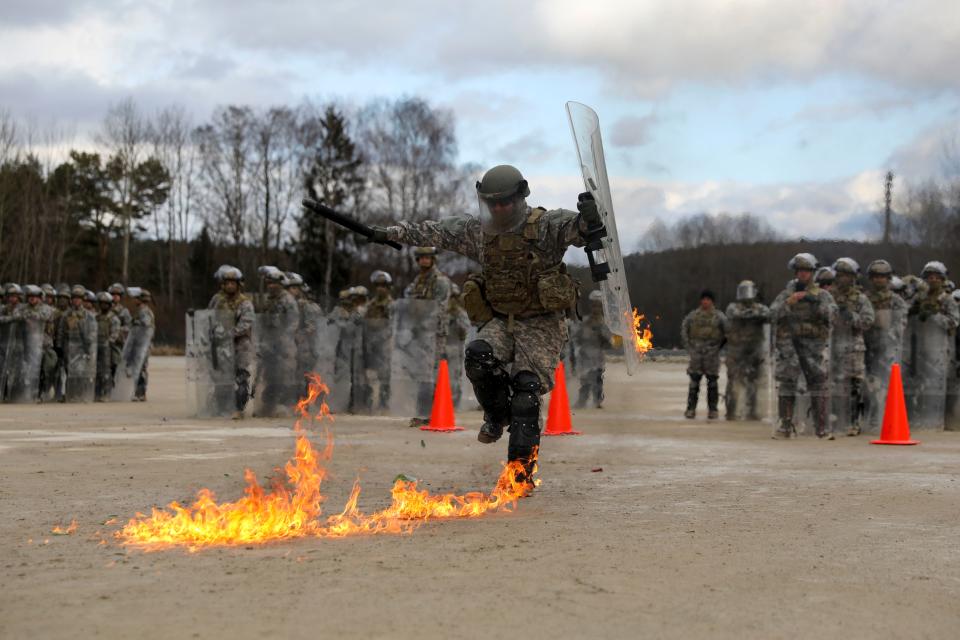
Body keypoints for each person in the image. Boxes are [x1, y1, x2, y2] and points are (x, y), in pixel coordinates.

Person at [367, 164, 594, 485]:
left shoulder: (544, 225)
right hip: (501, 319)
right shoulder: (477, 231)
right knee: (477, 355)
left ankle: (520, 475)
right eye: (493, 203)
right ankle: (497, 415)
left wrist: (589, 219)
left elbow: (577, 229)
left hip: (542, 322)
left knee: (526, 393)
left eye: (505, 202)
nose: (499, 208)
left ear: (520, 198)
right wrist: (390, 234)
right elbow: (432, 231)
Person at [770, 253, 837, 439]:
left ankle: (821, 428)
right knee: (786, 385)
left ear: (813, 273)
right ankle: (785, 425)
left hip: (813, 348)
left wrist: (814, 302)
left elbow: (833, 315)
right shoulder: (786, 294)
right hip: (790, 348)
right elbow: (772, 314)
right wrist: (788, 303)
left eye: (806, 271)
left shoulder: (822, 295)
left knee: (818, 386)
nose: (802, 274)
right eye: (799, 271)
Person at [903, 261, 959, 429]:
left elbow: (954, 322)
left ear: (942, 280)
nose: (932, 280)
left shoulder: (947, 300)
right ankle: (915, 420)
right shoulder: (918, 298)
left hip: (939, 351)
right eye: (929, 277)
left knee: (935, 388)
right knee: (917, 387)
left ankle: (935, 422)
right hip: (916, 350)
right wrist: (914, 308)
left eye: (936, 277)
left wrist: (935, 315)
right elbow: (904, 314)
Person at [402, 246, 452, 421]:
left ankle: (430, 412)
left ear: (433, 259)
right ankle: (422, 411)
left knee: (430, 370)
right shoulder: (417, 282)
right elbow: (408, 303)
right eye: (421, 257)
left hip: (434, 333)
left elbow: (440, 307)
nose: (424, 260)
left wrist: (423, 323)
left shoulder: (440, 281)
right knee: (419, 371)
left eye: (427, 257)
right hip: (417, 333)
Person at [828, 258, 875, 436]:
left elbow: (868, 321)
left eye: (847, 275)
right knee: (832, 385)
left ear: (854, 277)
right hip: (832, 346)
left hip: (854, 348)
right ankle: (834, 420)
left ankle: (853, 422)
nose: (843, 279)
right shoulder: (828, 296)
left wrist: (851, 316)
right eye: (840, 275)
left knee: (854, 386)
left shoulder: (861, 298)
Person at [863, 260, 908, 433]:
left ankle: (881, 421)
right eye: (875, 276)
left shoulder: (896, 301)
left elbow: (900, 325)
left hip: (886, 351)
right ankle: (865, 420)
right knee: (865, 387)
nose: (878, 280)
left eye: (882, 277)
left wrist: (886, 336)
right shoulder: (864, 298)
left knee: (883, 388)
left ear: (888, 278)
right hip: (865, 348)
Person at [207, 265, 256, 419]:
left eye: (232, 283)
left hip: (241, 345)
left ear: (238, 284)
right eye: (227, 282)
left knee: (241, 376)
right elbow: (209, 316)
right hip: (222, 346)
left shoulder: (245, 302)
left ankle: (238, 408)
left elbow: (246, 323)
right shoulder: (217, 300)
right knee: (222, 377)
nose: (229, 285)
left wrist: (229, 333)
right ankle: (222, 407)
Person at [254, 266, 299, 416]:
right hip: (269, 343)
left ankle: (285, 407)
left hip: (284, 345)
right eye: (269, 283)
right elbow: (261, 322)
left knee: (285, 376)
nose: (272, 286)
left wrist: (283, 338)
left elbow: (293, 322)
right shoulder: (268, 300)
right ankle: (269, 406)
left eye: (275, 283)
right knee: (269, 376)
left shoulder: (288, 300)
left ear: (281, 284)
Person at [723, 280, 770, 421]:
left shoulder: (761, 308)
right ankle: (732, 411)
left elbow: (768, 315)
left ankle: (753, 412)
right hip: (736, 351)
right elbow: (735, 315)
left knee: (754, 382)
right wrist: (754, 315)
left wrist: (755, 314)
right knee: (734, 382)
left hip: (755, 350)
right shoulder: (733, 307)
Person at [681, 290, 726, 420]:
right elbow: (684, 330)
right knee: (694, 382)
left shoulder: (719, 317)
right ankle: (691, 409)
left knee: (712, 383)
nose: (705, 301)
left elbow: (727, 332)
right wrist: (689, 348)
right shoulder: (693, 316)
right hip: (696, 354)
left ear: (712, 301)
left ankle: (713, 410)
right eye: (703, 299)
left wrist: (718, 347)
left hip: (712, 355)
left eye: (708, 299)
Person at [572, 290, 613, 409]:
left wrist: (600, 332)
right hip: (584, 359)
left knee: (597, 381)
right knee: (585, 382)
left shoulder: (605, 324)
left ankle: (597, 402)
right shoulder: (584, 322)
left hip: (598, 360)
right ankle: (582, 401)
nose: (596, 309)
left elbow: (609, 344)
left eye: (598, 306)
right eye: (594, 305)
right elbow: (576, 338)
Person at [364, 270, 395, 411]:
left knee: (384, 375)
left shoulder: (391, 304)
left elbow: (392, 325)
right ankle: (368, 403)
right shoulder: (371, 304)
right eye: (377, 285)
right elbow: (365, 321)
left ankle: (383, 404)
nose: (380, 288)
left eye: (383, 285)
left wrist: (380, 338)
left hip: (384, 343)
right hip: (370, 343)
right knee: (369, 375)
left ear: (388, 287)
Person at [446, 283, 471, 407]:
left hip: (454, 348)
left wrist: (455, 318)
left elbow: (465, 330)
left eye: (453, 297)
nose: (451, 300)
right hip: (440, 348)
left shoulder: (460, 313)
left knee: (454, 376)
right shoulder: (439, 311)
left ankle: (453, 402)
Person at [130, 288, 155, 401]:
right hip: (139, 344)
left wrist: (135, 323)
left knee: (141, 368)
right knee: (138, 368)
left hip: (143, 345)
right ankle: (137, 392)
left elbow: (146, 326)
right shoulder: (141, 310)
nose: (134, 300)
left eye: (136, 298)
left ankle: (141, 393)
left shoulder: (144, 312)